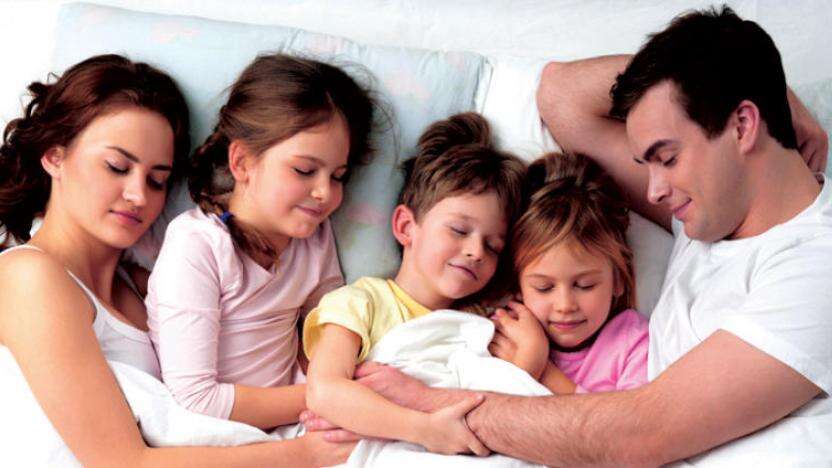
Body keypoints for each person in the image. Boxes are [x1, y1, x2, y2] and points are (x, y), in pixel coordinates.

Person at [305, 7, 832, 465]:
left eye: (668, 157)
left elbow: (640, 434)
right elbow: (560, 93)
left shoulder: (821, 263)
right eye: (648, 165)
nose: (653, 191)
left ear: (743, 126)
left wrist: (425, 404)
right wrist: (766, 88)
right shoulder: (708, 215)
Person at [0, 54, 352, 467]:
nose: (138, 196)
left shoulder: (140, 283)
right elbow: (121, 462)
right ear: (54, 156)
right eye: (117, 167)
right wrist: (304, 452)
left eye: (158, 180)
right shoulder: (28, 276)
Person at [144, 53, 375, 430]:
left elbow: (326, 331)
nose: (324, 192)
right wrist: (331, 397)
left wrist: (341, 382)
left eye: (338, 176)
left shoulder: (314, 237)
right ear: (242, 162)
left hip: (292, 422)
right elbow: (196, 399)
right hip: (212, 433)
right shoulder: (198, 245)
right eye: (304, 170)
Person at [302, 112, 526, 455]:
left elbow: (512, 397)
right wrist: (424, 429)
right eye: (459, 230)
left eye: (493, 246)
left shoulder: (485, 324)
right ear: (407, 227)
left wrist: (531, 357)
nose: (476, 251)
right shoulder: (361, 302)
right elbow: (324, 391)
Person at [490, 152, 648, 395]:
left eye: (585, 285)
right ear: (517, 285)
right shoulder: (503, 333)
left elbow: (630, 420)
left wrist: (543, 371)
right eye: (544, 288)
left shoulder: (633, 342)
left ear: (618, 278)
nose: (565, 305)